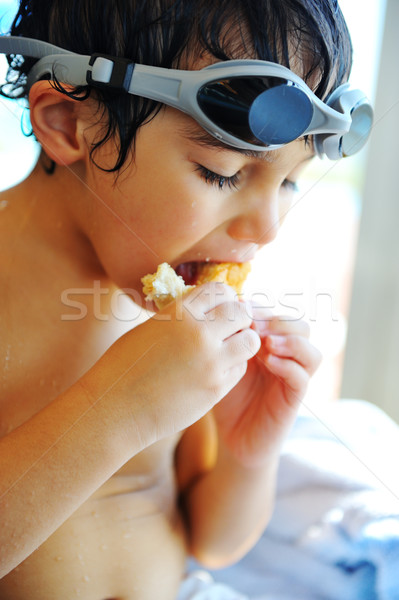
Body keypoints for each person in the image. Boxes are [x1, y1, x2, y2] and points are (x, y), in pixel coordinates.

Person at [0, 1, 370, 598]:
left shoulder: (177, 320)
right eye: (222, 173)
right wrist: (116, 411)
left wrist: (249, 455)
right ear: (68, 123)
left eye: (291, 181)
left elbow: (212, 542)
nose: (267, 228)